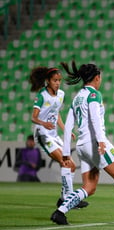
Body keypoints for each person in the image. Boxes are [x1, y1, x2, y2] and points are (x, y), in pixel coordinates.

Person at [50, 60, 114, 226]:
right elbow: (95, 118)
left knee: (89, 187)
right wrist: (101, 142)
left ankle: (60, 212)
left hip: (82, 146)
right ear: (97, 78)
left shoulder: (77, 98)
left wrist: (65, 152)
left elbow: (69, 124)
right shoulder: (94, 95)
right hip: (95, 144)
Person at [30, 66, 88, 208]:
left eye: (59, 81)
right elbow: (34, 117)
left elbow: (57, 115)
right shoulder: (42, 95)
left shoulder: (61, 94)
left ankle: (63, 198)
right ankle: (70, 200)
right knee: (65, 162)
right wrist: (44, 123)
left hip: (54, 135)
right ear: (48, 81)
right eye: (55, 80)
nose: (57, 83)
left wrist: (66, 130)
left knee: (72, 165)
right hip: (42, 134)